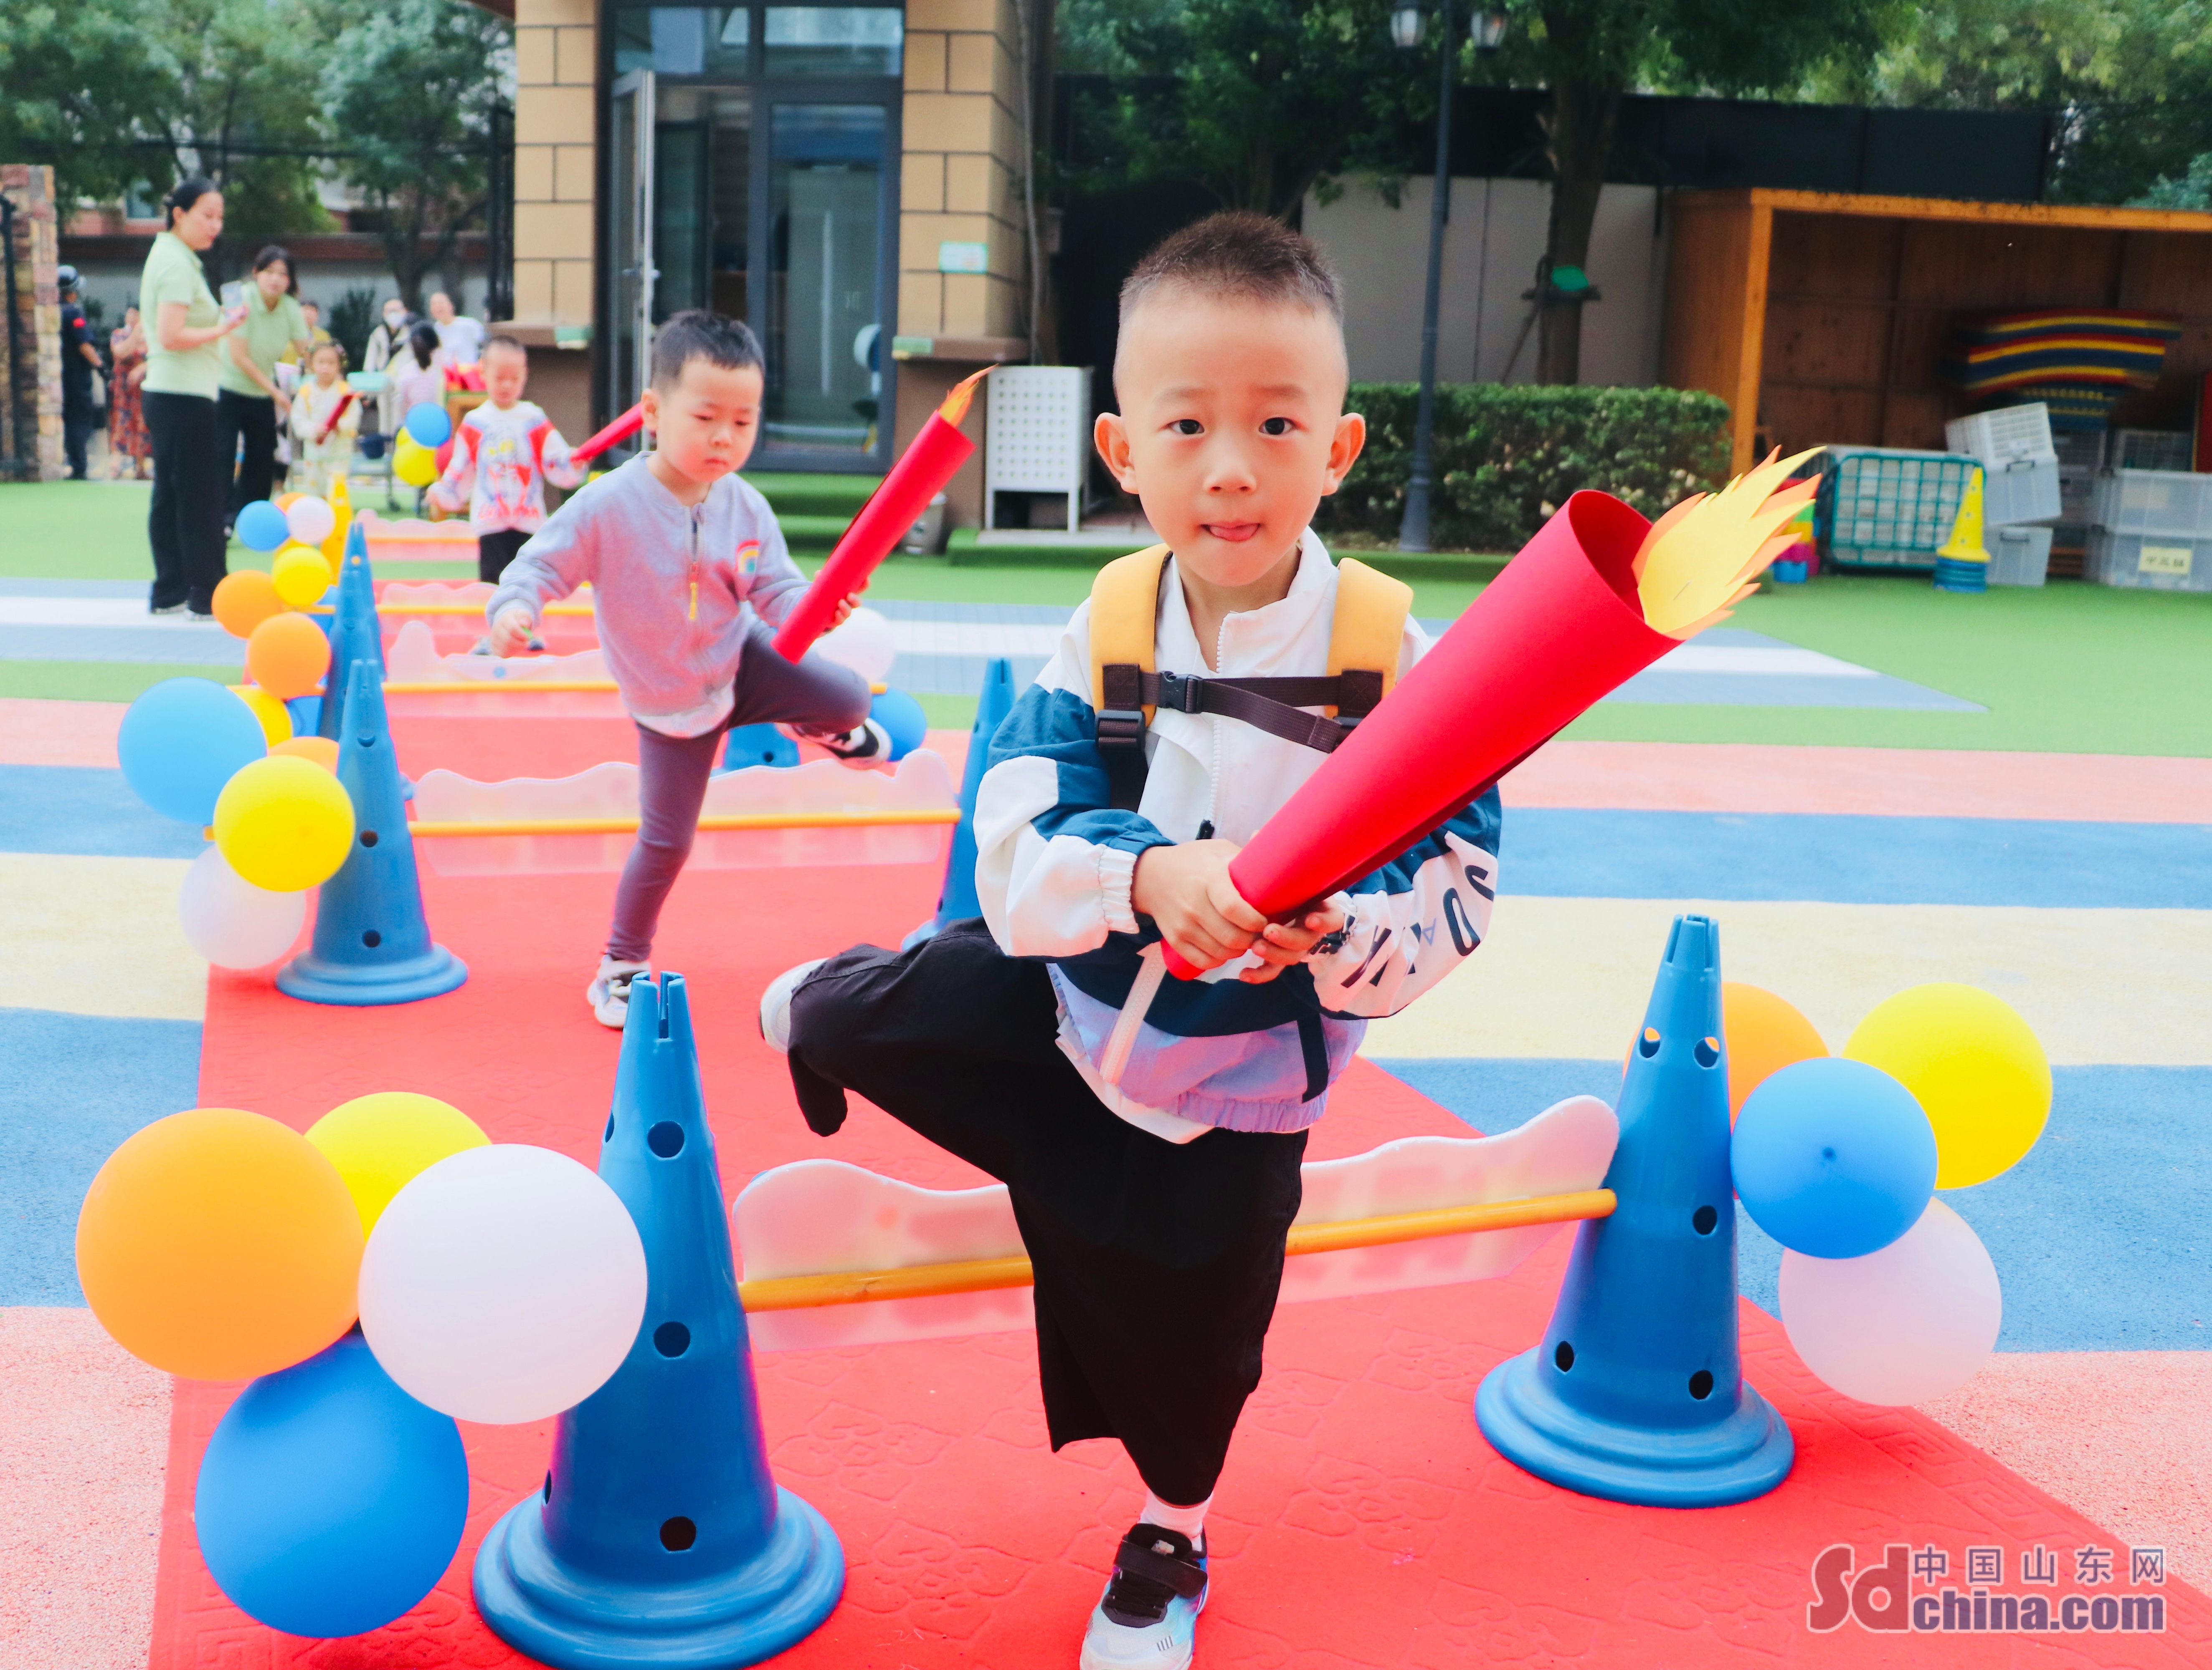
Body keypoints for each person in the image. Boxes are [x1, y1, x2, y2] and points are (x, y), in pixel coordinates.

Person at [762, 213, 1503, 1670]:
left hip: (1239, 1077)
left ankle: (1169, 1531)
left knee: (1199, 1338)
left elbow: (1462, 883)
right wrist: (1150, 876)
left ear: (1339, 448)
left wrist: (1341, 932)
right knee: (875, 1014)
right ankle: (826, 1007)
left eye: (1275, 424)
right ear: (1122, 451)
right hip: (1071, 1005)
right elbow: (1014, 834)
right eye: (1187, 425)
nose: (1230, 467)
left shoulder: (1397, 661)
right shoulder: (1098, 630)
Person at [482, 310, 890, 1030]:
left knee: (852, 698)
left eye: (743, 421)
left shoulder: (744, 504)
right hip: (671, 705)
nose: (725, 438)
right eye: (705, 417)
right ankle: (619, 964)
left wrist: (819, 610)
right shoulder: (607, 507)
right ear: (651, 412)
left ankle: (813, 723)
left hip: (742, 659)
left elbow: (779, 594)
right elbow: (538, 567)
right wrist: (515, 612)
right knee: (667, 841)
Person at [140, 177, 246, 617]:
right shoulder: (176, 263)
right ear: (179, 213)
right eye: (207, 215)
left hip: (172, 393)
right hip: (183, 397)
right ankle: (207, 594)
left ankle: (171, 590)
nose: (215, 226)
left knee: (173, 494)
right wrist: (222, 328)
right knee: (200, 496)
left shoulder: (173, 256)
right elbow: (170, 334)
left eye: (220, 217)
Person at [427, 333, 583, 584]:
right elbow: (460, 468)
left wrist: (572, 462)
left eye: (515, 379)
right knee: (493, 585)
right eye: (500, 378)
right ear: (483, 372)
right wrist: (445, 491)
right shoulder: (475, 423)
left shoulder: (533, 418)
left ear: (525, 375)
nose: (507, 385)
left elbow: (555, 459)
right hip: (491, 520)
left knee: (527, 584)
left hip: (528, 519)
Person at [216, 245, 310, 527]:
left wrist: (326, 373)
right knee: (223, 456)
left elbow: (307, 349)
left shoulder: (291, 307)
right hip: (226, 388)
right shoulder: (238, 299)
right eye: (269, 272)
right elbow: (239, 357)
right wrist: (278, 394)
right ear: (256, 273)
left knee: (261, 459)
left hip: (261, 393)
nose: (276, 279)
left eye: (283, 274)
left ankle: (253, 520)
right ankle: (222, 520)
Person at [287, 340, 359, 498]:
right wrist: (314, 429)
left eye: (331, 363)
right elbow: (298, 418)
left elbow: (355, 416)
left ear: (339, 366)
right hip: (314, 453)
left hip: (339, 452)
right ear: (312, 364)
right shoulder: (306, 391)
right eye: (321, 362)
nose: (326, 368)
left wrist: (340, 426)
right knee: (315, 494)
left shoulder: (345, 391)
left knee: (336, 492)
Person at [57, 266, 101, 480]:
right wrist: (102, 367)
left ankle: (74, 462)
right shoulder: (73, 313)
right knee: (79, 420)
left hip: (62, 376)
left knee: (68, 419)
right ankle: (79, 466)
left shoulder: (53, 312)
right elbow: (85, 346)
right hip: (77, 377)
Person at [108, 305, 152, 480]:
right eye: (130, 314)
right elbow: (120, 352)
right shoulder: (120, 334)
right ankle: (115, 466)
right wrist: (136, 333)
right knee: (121, 424)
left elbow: (159, 356)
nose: (132, 317)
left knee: (142, 425)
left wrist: (143, 367)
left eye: (136, 314)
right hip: (124, 389)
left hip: (143, 389)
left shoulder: (151, 337)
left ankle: (140, 468)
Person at [362, 296, 413, 434]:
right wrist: (368, 391)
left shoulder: (411, 333)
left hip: (404, 382)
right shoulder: (377, 334)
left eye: (397, 310)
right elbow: (371, 361)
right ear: (384, 314)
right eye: (390, 311)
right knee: (384, 415)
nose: (393, 314)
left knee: (402, 416)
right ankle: (386, 444)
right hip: (383, 381)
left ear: (405, 312)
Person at [427, 291, 484, 366]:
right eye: (434, 304)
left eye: (441, 303)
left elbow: (485, 344)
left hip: (469, 373)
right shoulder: (432, 332)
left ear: (451, 306)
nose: (438, 307)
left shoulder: (469, 325)